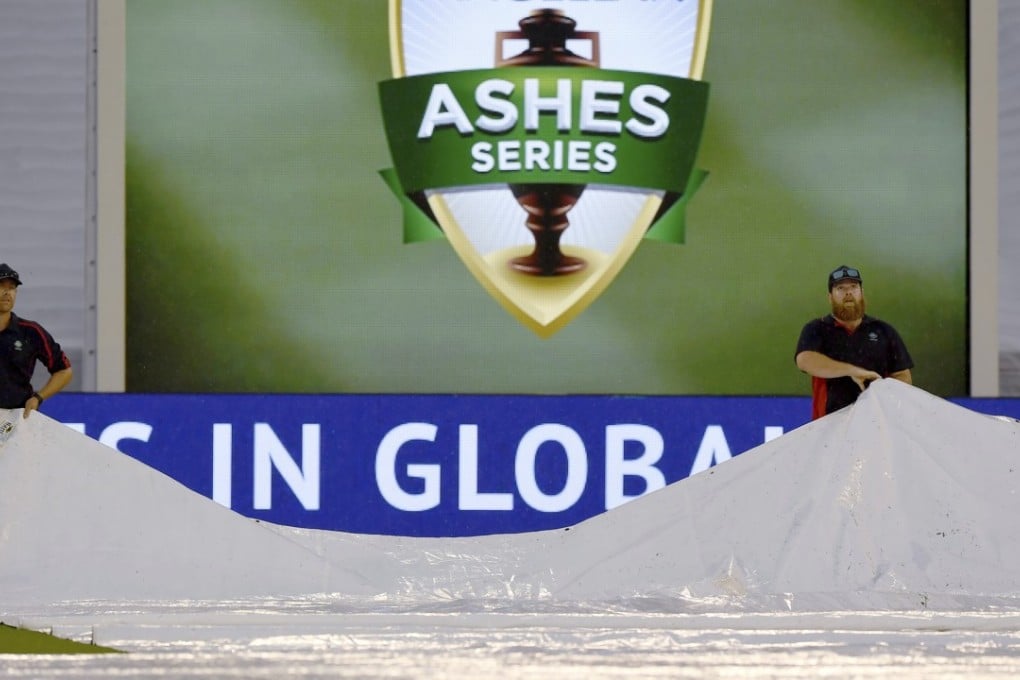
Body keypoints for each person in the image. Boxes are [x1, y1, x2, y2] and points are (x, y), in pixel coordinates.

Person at [795, 265, 913, 420]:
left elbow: (903, 376)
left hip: (876, 425)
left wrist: (879, 390)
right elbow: (805, 360)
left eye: (853, 287)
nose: (848, 292)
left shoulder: (883, 331)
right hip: (829, 427)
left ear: (862, 293)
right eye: (840, 288)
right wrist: (852, 371)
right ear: (830, 297)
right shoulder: (816, 329)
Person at [0, 263, 72, 418]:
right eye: (1, 286)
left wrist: (38, 398)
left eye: (12, 287)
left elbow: (64, 370)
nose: (7, 292)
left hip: (17, 419)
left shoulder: (30, 332)